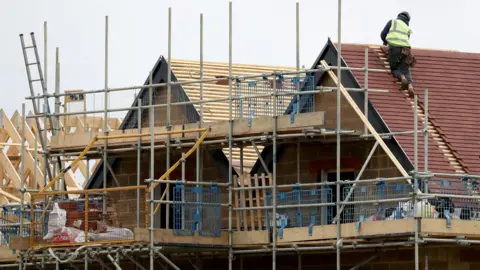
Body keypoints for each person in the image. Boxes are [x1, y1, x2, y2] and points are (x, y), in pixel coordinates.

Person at [380, 11, 416, 96]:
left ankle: (401, 77)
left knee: (394, 68)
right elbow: (406, 39)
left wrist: (385, 42)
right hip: (406, 50)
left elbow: (383, 34)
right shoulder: (407, 28)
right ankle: (410, 85)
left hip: (394, 48)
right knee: (405, 69)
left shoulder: (392, 22)